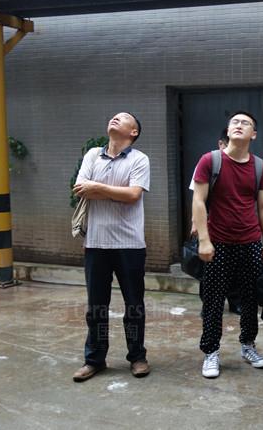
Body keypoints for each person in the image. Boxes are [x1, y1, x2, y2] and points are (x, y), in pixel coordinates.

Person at [192, 111, 263, 379]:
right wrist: (204, 240)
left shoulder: (259, 166)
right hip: (218, 243)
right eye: (234, 122)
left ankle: (248, 346)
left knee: (250, 299)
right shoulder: (210, 160)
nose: (239, 125)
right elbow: (198, 200)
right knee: (214, 301)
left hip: (250, 242)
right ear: (227, 131)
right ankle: (211, 352)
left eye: (245, 123)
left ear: (254, 134)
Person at [72, 111, 151, 382]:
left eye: (123, 118)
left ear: (134, 132)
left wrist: (97, 188)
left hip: (130, 244)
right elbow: (80, 188)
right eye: (113, 117)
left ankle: (137, 357)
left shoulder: (139, 159)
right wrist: (111, 191)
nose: (114, 119)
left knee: (134, 305)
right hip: (95, 243)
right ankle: (94, 359)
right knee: (96, 307)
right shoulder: (93, 155)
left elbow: (133, 195)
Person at [190, 128, 241, 315]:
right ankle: (209, 305)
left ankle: (235, 302)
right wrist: (195, 223)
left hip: (236, 227)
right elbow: (197, 199)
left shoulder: (243, 164)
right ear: (221, 144)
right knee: (209, 268)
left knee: (235, 267)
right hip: (210, 226)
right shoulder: (208, 163)